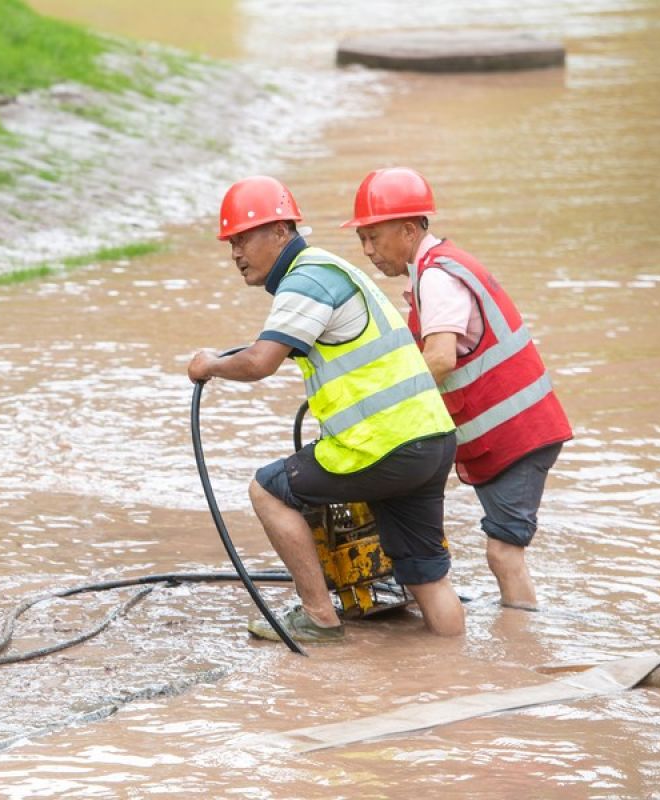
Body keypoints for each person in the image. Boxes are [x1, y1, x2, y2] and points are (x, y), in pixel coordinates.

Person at [187, 175, 465, 641]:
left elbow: (259, 362)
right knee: (427, 577)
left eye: (243, 238)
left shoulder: (306, 279)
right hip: (432, 440)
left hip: (383, 446)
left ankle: (318, 617)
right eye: (230, 243)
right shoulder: (333, 271)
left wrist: (210, 365)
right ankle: (459, 672)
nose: (235, 253)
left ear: (281, 232)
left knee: (269, 490)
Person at [342, 167, 573, 610]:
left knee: (504, 554)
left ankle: (521, 651)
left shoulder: (437, 278)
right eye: (362, 240)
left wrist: (383, 407)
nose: (367, 250)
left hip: (517, 436)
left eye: (373, 237)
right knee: (502, 550)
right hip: (513, 434)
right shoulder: (438, 267)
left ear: (408, 230)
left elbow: (441, 359)